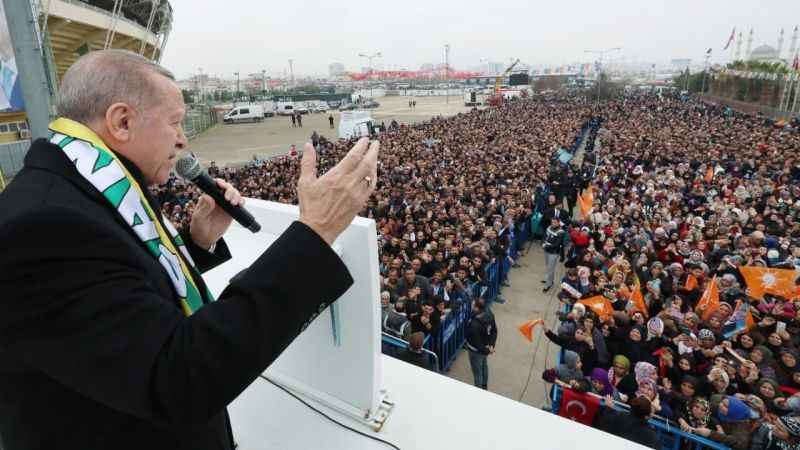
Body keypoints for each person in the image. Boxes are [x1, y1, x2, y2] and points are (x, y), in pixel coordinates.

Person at [0, 49, 379, 450]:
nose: (183, 140)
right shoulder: (45, 227)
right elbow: (177, 380)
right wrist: (314, 233)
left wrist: (196, 244)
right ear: (122, 121)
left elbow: (119, 293)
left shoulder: (82, 187)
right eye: (175, 123)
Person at [594, 396, 660, 449]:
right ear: (647, 414)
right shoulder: (651, 435)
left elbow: (603, 422)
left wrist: (607, 408)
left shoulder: (619, 416)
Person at [465, 297, 497, 390]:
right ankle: (484, 385)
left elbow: (477, 343)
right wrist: (491, 345)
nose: (472, 305)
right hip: (485, 346)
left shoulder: (474, 324)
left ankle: (479, 390)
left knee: (477, 372)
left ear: (477, 308)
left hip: (475, 351)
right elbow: (494, 331)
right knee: (484, 366)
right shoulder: (489, 313)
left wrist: (488, 350)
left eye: (473, 304)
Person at [542, 217, 566, 292]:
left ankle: (548, 284)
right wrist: (543, 242)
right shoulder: (549, 227)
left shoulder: (561, 232)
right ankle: (549, 279)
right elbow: (545, 236)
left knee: (550, 268)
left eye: (555, 222)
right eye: (552, 222)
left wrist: (546, 245)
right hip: (546, 250)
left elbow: (557, 244)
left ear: (559, 223)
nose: (553, 224)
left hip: (554, 252)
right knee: (548, 266)